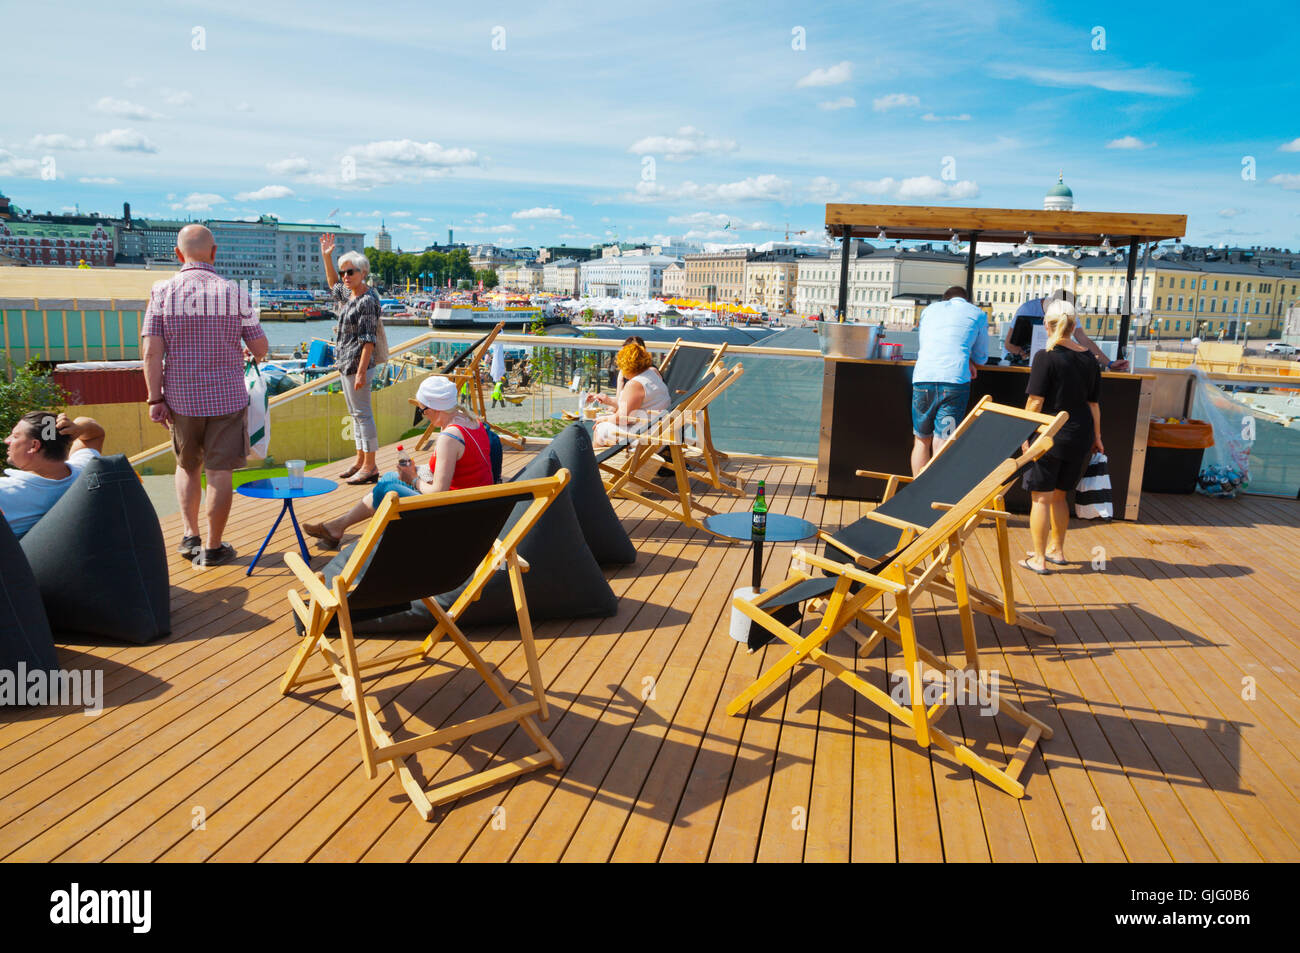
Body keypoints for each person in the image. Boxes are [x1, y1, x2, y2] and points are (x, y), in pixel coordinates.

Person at [142, 224, 269, 567]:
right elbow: (260, 349)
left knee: (186, 467)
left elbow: (152, 353)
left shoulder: (163, 292)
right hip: (227, 400)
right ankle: (213, 548)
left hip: (181, 400)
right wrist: (236, 347)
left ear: (178, 255)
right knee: (219, 473)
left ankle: (189, 536)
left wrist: (156, 399)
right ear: (214, 253)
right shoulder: (234, 293)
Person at [302, 377, 493, 549]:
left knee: (389, 485)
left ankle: (354, 538)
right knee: (391, 479)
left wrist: (413, 478)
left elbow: (438, 493)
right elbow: (465, 471)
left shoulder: (450, 437)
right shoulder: (471, 422)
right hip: (475, 510)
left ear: (434, 408)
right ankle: (338, 527)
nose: (422, 414)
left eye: (422, 409)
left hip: (454, 518)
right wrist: (414, 473)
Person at [1020, 300, 1103, 574]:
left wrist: (1023, 435)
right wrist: (1098, 437)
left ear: (1047, 325)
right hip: (1080, 434)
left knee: (1041, 498)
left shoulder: (1046, 356)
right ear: (1073, 325)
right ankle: (1057, 550)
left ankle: (1039, 559)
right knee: (1059, 496)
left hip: (1049, 434)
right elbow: (1093, 404)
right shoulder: (1089, 357)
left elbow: (1035, 402)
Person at [320, 234, 382, 485]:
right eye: (343, 272)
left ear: (363, 272)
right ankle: (360, 461)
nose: (345, 276)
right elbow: (333, 284)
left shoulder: (366, 300)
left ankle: (370, 466)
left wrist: (360, 371)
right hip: (346, 362)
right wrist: (327, 257)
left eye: (350, 272)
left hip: (358, 365)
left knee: (363, 414)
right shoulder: (351, 295)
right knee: (356, 414)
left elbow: (369, 339)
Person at [910, 286, 988, 475]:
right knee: (943, 440)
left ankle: (917, 494)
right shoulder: (977, 314)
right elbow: (982, 357)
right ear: (967, 300)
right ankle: (935, 493)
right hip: (954, 382)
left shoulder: (929, 311)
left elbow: (929, 343)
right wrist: (970, 358)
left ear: (945, 299)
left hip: (923, 378)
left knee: (921, 440)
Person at [0, 412, 106, 538]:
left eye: (15, 436)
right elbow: (94, 435)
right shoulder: (85, 471)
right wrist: (79, 428)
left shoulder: (5, 492)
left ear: (34, 446)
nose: (7, 440)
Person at [1003, 290, 1128, 372]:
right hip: (1018, 363)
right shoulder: (1027, 309)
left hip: (1047, 362)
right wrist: (1026, 356)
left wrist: (1110, 363)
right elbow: (1009, 344)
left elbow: (1084, 340)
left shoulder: (1068, 310)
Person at [591, 339, 669, 446]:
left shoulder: (635, 384)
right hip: (661, 433)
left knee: (600, 428)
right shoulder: (652, 375)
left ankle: (596, 462)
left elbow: (622, 418)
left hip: (646, 439)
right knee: (606, 424)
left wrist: (604, 418)